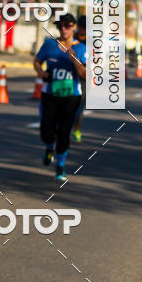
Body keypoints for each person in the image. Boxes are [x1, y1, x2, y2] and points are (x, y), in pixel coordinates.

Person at [34, 12, 87, 182]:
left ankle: (60, 166)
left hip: (71, 96)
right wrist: (41, 72)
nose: (64, 28)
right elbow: (36, 61)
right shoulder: (49, 44)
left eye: (68, 25)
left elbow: (85, 75)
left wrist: (75, 59)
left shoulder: (81, 48)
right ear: (58, 27)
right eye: (61, 25)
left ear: (74, 27)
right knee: (46, 132)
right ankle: (49, 147)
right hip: (50, 93)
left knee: (64, 132)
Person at [72, 14, 86, 142]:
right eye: (81, 27)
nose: (83, 30)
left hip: (83, 78)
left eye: (86, 27)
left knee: (79, 106)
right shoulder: (72, 38)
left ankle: (77, 128)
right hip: (69, 75)